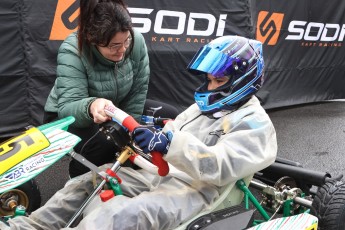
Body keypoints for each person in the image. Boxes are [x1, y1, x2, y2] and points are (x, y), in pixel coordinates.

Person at [1, 35, 277, 230]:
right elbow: (175, 129)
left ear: (243, 80)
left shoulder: (255, 124)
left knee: (119, 214)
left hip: (197, 191)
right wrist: (155, 129)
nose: (210, 86)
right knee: (88, 182)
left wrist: (169, 145)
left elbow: (220, 166)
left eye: (218, 80)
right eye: (208, 79)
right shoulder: (201, 108)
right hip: (160, 175)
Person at [43, 0, 178, 178]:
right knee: (110, 138)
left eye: (126, 41)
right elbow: (68, 107)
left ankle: (131, 172)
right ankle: (78, 179)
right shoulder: (73, 49)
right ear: (93, 39)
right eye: (114, 46)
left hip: (115, 108)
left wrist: (133, 132)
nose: (122, 50)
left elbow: (137, 93)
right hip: (69, 117)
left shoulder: (136, 42)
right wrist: (91, 106)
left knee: (170, 116)